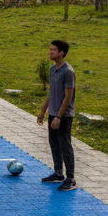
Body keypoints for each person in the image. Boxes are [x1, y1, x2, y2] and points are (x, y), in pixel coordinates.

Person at [37, 39, 77, 191]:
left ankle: (71, 178)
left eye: (53, 50)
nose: (50, 52)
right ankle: (58, 173)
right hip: (53, 113)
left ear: (61, 53)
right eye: (50, 49)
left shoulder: (68, 72)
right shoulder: (53, 69)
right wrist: (43, 112)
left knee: (65, 145)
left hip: (63, 116)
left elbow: (68, 97)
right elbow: (52, 93)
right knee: (54, 144)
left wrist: (59, 117)